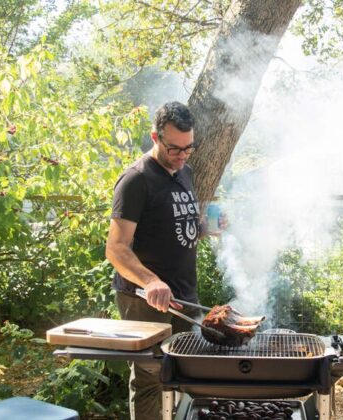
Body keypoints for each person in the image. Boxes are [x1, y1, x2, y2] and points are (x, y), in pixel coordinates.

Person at [106, 101, 203, 420]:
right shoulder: (136, 179)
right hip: (144, 298)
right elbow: (116, 248)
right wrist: (151, 282)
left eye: (188, 148)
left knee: (184, 372)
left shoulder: (184, 171)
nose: (183, 155)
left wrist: (202, 227)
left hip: (183, 294)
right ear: (155, 137)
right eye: (175, 148)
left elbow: (171, 224)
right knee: (150, 380)